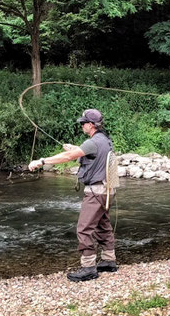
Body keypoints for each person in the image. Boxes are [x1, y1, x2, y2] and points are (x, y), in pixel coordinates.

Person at [28, 108, 117, 282]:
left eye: (84, 123)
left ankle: (89, 267)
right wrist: (77, 148)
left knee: (83, 229)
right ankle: (108, 260)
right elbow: (92, 154)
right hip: (107, 190)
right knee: (102, 225)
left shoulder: (92, 142)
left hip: (96, 192)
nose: (82, 125)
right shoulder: (105, 140)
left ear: (91, 125)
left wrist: (42, 161)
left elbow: (68, 156)